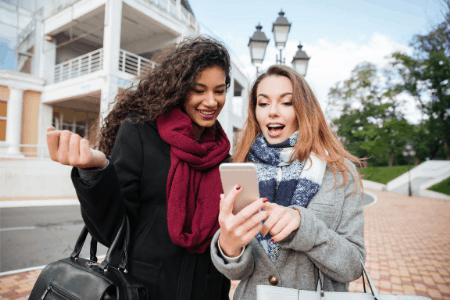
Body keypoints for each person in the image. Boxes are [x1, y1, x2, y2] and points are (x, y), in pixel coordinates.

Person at [46, 36, 244, 300]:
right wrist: (95, 170)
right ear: (179, 88)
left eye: (219, 91)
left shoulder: (226, 159)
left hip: (206, 291)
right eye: (199, 90)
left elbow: (229, 241)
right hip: (143, 289)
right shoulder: (140, 133)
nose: (211, 101)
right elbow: (111, 230)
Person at [210, 65, 366, 300]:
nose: (272, 112)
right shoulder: (241, 168)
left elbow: (352, 266)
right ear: (255, 113)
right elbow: (239, 272)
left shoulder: (340, 171)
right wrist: (229, 245)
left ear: (304, 109)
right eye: (263, 103)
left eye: (286, 102)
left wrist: (302, 226)